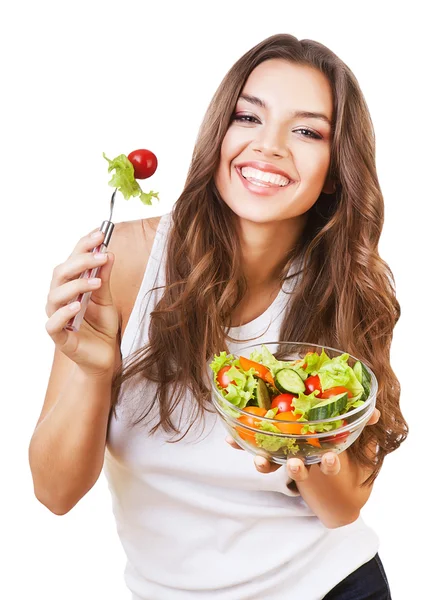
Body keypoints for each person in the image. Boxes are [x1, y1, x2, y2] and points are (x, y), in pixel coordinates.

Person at [29, 33, 408, 599]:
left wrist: (298, 446)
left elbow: (343, 509)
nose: (270, 146)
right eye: (247, 117)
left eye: (307, 131)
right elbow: (55, 493)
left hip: (330, 586)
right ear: (219, 133)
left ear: (334, 169)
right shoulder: (126, 262)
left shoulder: (347, 284)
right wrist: (90, 366)